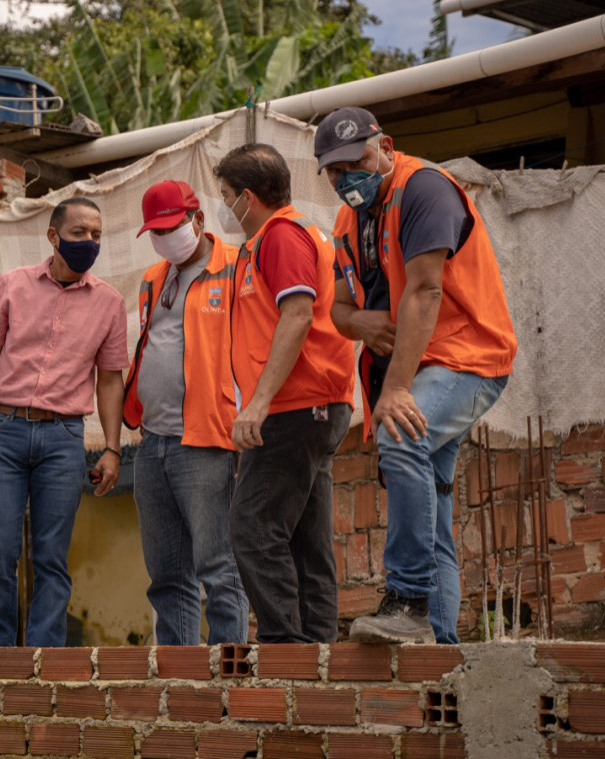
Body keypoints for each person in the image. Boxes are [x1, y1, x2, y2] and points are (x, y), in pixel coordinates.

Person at [314, 107, 516, 644]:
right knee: (434, 519)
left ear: (385, 147)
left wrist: (397, 388)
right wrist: (361, 322)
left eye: (355, 162)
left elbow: (425, 291)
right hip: (416, 366)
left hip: (467, 357)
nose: (345, 178)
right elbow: (337, 312)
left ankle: (407, 601)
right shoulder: (344, 222)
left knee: (401, 434)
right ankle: (440, 657)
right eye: (333, 172)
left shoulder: (425, 189)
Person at [0, 196, 128, 648]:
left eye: (96, 235)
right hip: (3, 432)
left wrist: (112, 447)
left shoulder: (109, 303)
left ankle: (44, 657)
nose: (89, 242)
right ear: (53, 237)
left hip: (64, 437)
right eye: (79, 234)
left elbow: (110, 381)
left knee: (51, 556)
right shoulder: (12, 286)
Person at [213, 144, 355, 644]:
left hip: (297, 406)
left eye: (226, 196)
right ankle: (316, 650)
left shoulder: (281, 235)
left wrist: (258, 402)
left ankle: (284, 647)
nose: (223, 205)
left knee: (252, 529)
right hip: (312, 403)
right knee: (304, 540)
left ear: (248, 197)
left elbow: (297, 315)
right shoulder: (281, 237)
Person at [123, 180, 248, 645]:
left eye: (171, 227)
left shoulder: (237, 269)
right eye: (154, 231)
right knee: (166, 576)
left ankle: (228, 674)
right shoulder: (153, 279)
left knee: (218, 567)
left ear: (198, 219)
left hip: (208, 440)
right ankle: (180, 683)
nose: (163, 238)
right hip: (152, 441)